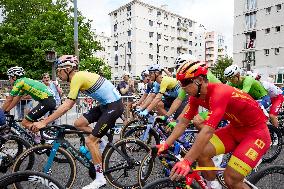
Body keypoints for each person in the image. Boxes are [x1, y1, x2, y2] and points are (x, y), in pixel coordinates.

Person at [156, 61, 271, 189]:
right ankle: (212, 184)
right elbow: (183, 123)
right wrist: (165, 144)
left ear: (200, 80)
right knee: (201, 153)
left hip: (256, 134)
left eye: (185, 83)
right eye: (181, 83)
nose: (182, 87)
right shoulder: (195, 98)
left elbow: (207, 131)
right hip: (234, 129)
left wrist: (187, 161)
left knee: (231, 179)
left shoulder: (219, 92)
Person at [32, 55, 124, 189]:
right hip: (106, 105)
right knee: (79, 124)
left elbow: (67, 105)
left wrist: (44, 122)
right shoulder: (77, 78)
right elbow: (66, 104)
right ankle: (101, 141)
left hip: (114, 106)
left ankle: (100, 179)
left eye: (59, 70)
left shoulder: (77, 77)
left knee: (89, 141)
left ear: (68, 69)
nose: (58, 74)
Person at [1, 66, 56, 131]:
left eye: (9, 77)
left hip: (46, 102)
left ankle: (42, 137)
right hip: (48, 101)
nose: (9, 80)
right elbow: (17, 99)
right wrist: (6, 110)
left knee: (25, 122)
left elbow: (9, 99)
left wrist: (1, 112)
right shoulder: (24, 82)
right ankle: (39, 137)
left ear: (14, 77)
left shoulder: (19, 82)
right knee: (31, 122)